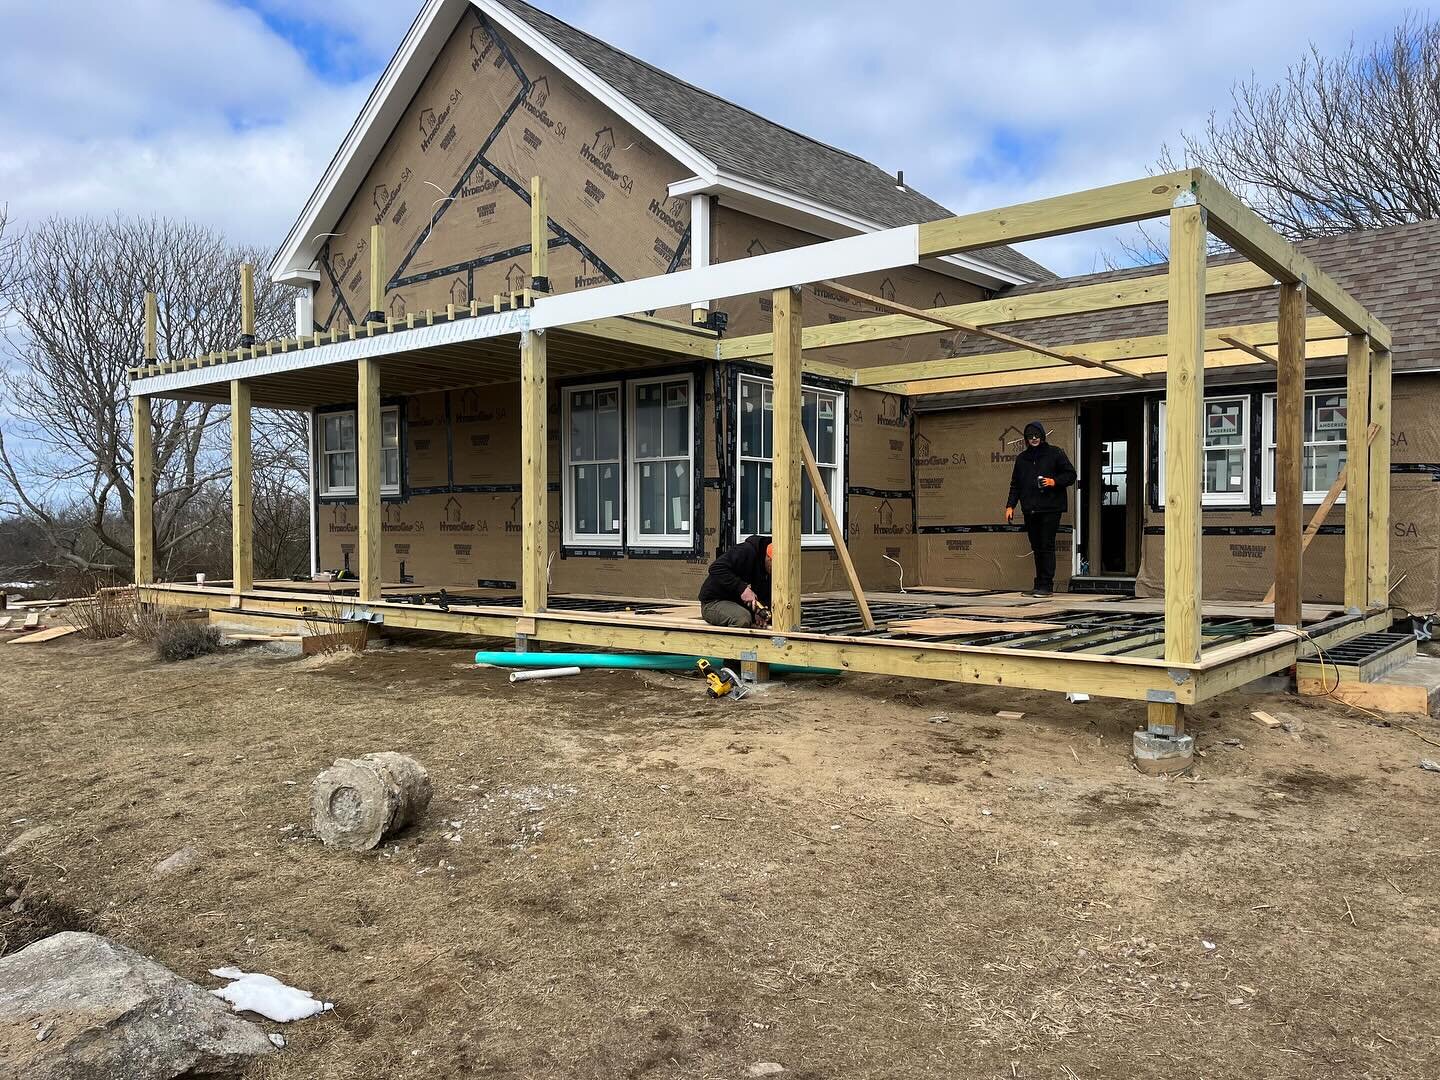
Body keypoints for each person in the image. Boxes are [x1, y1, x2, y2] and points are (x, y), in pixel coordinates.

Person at [1004, 422, 1076, 597]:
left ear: (1042, 436)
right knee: (1037, 546)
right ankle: (1039, 584)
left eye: (1036, 436)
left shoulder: (1055, 453)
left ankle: (1046, 585)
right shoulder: (1022, 458)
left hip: (1050, 508)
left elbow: (1071, 475)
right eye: (1030, 436)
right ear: (1026, 439)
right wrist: (1010, 505)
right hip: (1031, 509)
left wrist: (1054, 482)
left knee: (1046, 544)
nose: (1034, 439)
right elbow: (1016, 485)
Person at [699, 534, 772, 627]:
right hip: (714, 601)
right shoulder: (745, 551)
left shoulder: (768, 571)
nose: (774, 572)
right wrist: (742, 589)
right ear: (768, 558)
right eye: (773, 567)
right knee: (742, 619)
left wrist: (758, 611)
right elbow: (716, 568)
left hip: (738, 604)